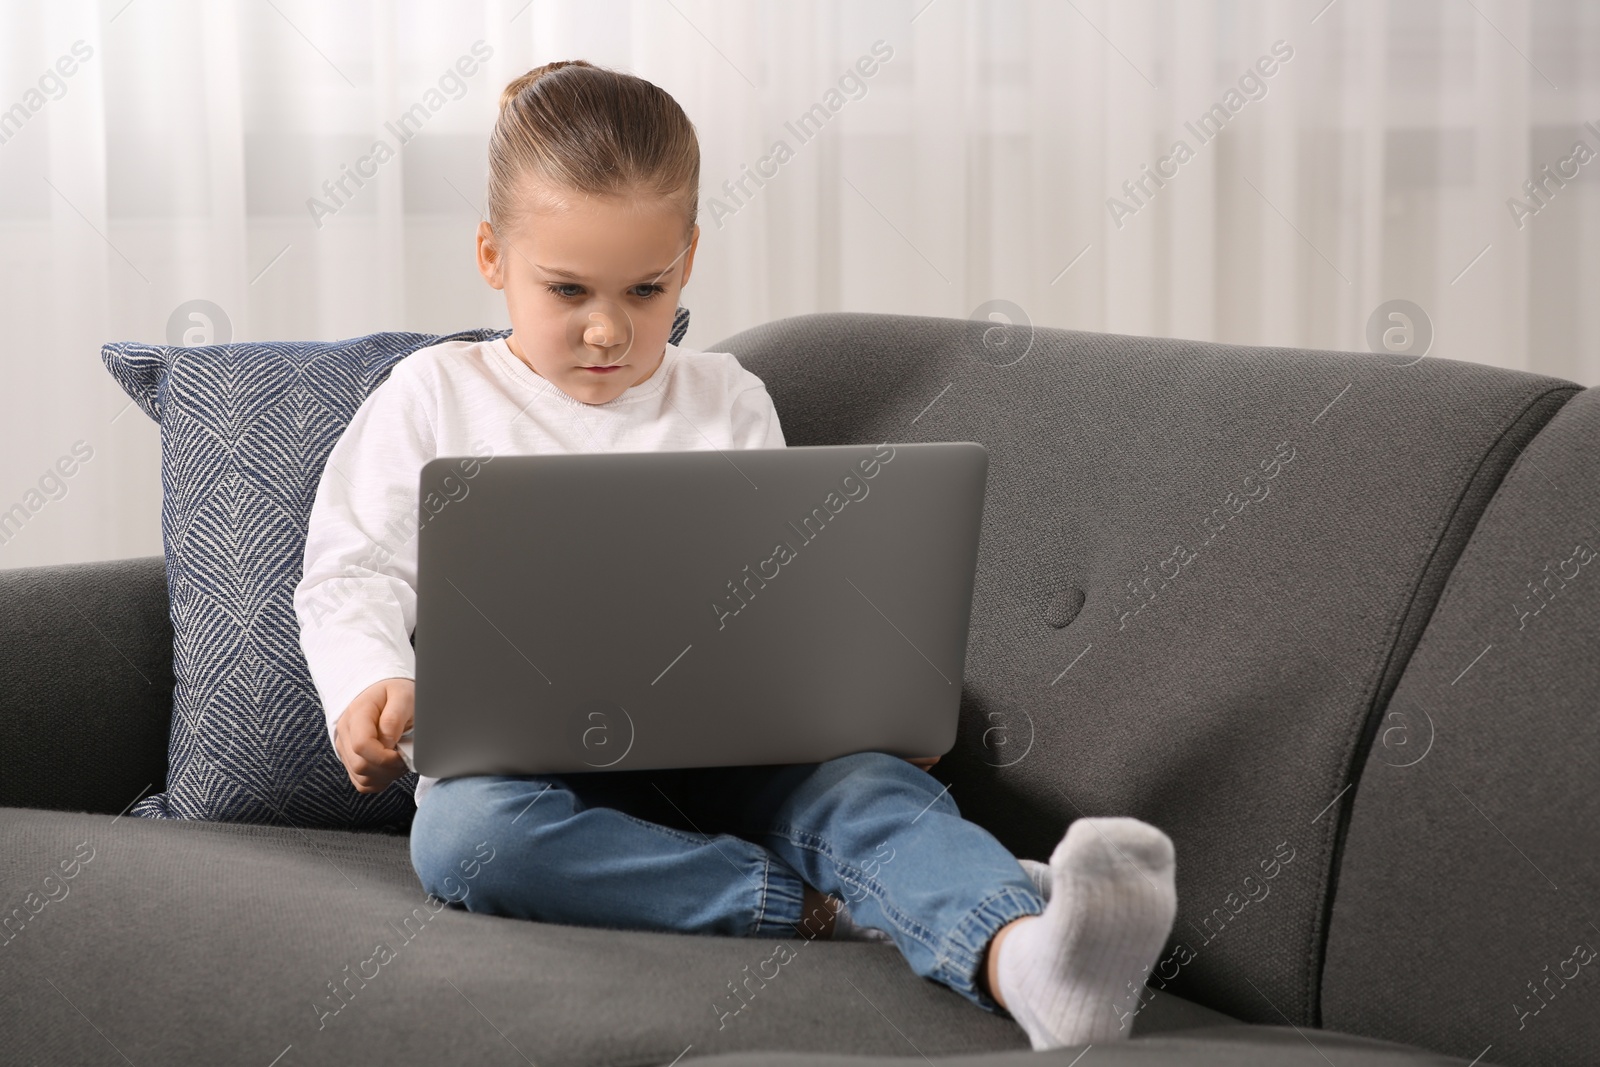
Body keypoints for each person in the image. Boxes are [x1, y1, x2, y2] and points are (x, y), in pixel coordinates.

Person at [293, 59, 1177, 1051]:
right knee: (466, 838)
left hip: (734, 752)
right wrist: (373, 680)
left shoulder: (725, 396)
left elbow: (788, 590)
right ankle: (821, 907)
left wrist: (861, 700)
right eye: (567, 288)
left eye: (646, 287)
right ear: (493, 255)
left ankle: (1026, 956)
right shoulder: (431, 395)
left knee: (870, 789)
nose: (605, 326)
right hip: (530, 775)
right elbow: (352, 573)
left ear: (689, 256)